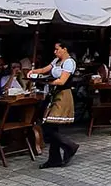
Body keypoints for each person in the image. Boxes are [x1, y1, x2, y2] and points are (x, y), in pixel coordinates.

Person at [29, 41, 79, 169]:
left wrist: (45, 81)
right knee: (51, 127)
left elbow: (62, 81)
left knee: (48, 127)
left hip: (63, 95)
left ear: (65, 49)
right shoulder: (56, 61)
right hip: (54, 94)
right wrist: (32, 72)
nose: (55, 52)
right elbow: (45, 69)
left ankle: (69, 145)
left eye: (57, 49)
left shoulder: (69, 62)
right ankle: (54, 158)